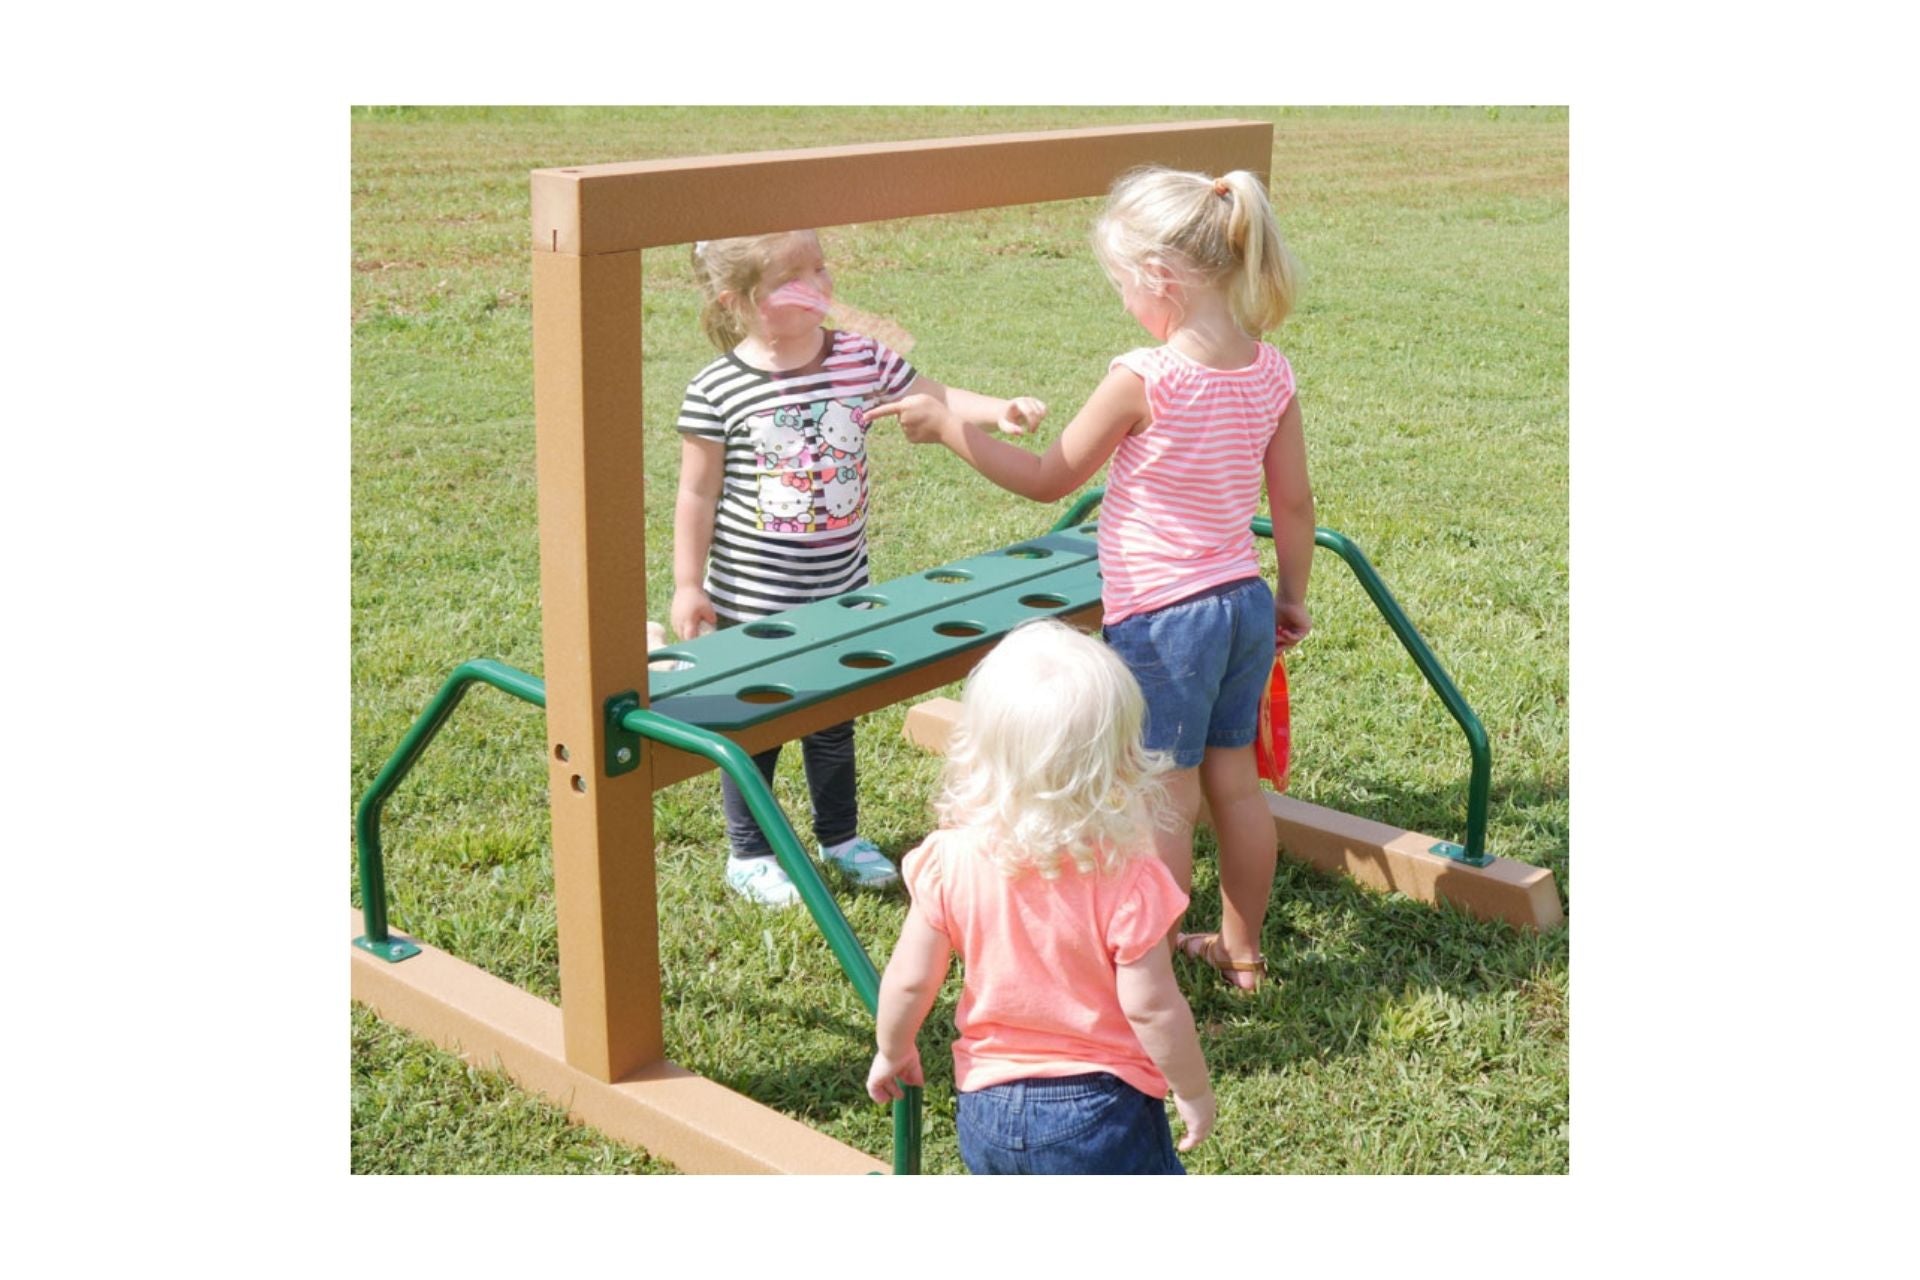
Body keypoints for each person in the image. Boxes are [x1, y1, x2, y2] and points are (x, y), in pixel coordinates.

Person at [864, 167, 1313, 991]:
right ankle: (1242, 951)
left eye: (1121, 285)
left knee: (1167, 797)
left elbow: (1048, 478)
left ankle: (1158, 976)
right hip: (1244, 603)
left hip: (1166, 617)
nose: (1123, 303)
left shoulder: (1146, 376)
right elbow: (1292, 502)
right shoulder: (1269, 370)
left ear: (1158, 279)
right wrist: (1291, 594)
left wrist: (951, 428)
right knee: (1237, 788)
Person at [676, 229, 1046, 907]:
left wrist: (1003, 411)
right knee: (755, 722)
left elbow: (933, 392)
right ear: (741, 301)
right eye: (795, 277)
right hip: (753, 598)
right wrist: (686, 586)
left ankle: (840, 837)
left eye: (821, 268)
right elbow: (696, 493)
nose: (819, 285)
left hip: (840, 587)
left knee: (832, 715)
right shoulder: (717, 388)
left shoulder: (857, 357)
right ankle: (750, 853)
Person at [865, 620, 1214, 1173]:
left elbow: (909, 977)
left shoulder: (948, 860)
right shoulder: (1129, 876)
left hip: (985, 1103)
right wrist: (1192, 1089)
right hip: (1102, 1107)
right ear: (1122, 760)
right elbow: (1152, 1005)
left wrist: (893, 1048)